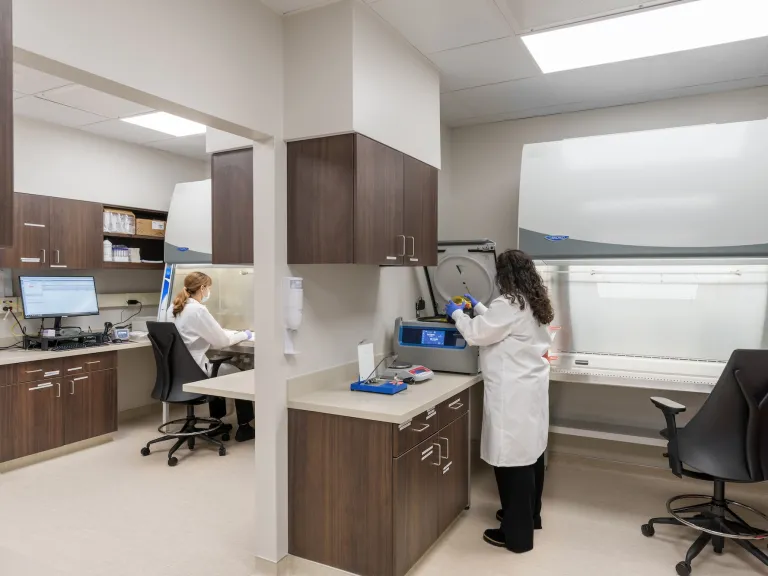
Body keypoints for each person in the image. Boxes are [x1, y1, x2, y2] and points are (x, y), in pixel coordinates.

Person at [445, 249, 554, 554]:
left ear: (503, 275)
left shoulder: (508, 304)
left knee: (512, 462)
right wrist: (479, 306)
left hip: (512, 395)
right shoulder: (533, 301)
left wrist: (457, 314)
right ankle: (529, 517)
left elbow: (478, 334)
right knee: (531, 457)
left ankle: (516, 536)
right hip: (530, 391)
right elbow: (504, 325)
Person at [169, 271, 256, 442]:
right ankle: (244, 427)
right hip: (196, 371)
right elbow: (222, 341)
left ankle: (218, 421)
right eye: (208, 288)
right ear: (202, 288)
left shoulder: (173, 308)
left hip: (176, 372)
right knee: (238, 374)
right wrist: (245, 334)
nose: (209, 291)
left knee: (218, 369)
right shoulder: (198, 310)